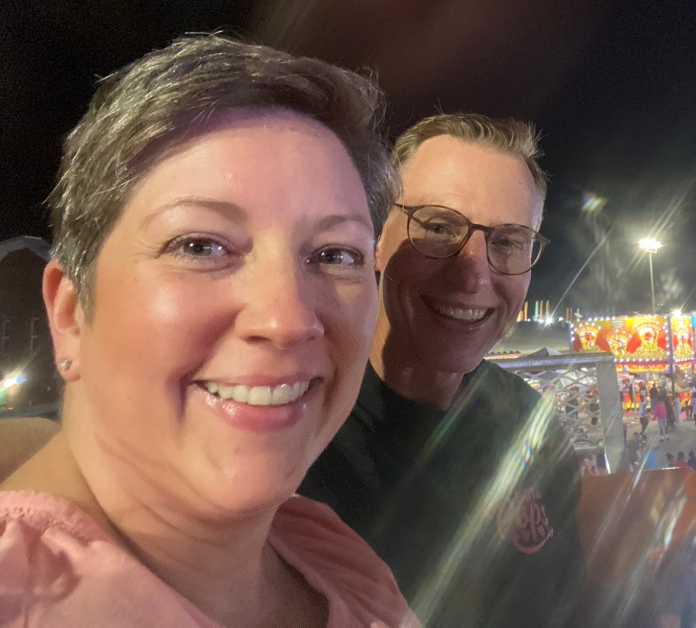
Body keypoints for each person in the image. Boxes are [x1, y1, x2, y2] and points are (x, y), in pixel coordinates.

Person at [0, 35, 416, 627]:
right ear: (70, 314)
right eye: (199, 245)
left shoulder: (326, 550)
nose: (288, 319)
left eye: (333, 254)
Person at [299, 113, 585, 627]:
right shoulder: (296, 438)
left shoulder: (530, 427)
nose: (474, 271)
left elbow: (572, 608)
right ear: (375, 239)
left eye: (508, 240)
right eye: (436, 226)